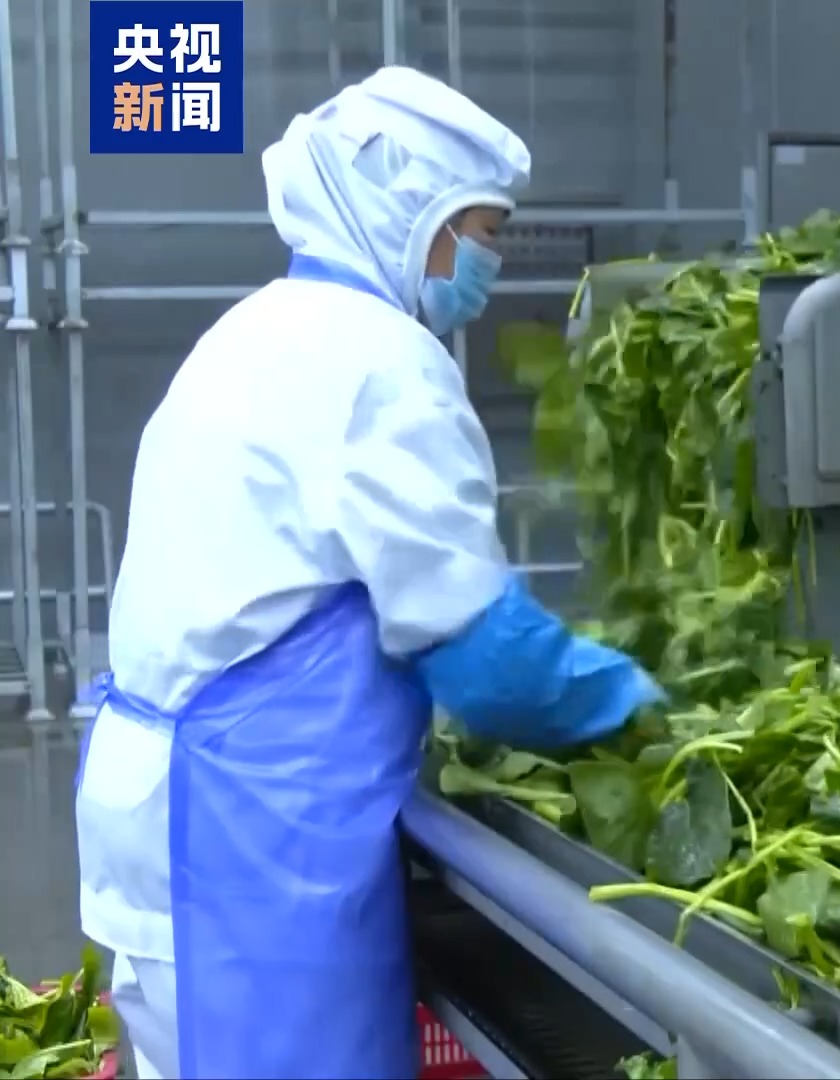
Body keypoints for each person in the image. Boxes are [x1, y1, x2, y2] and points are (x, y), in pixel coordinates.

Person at [71, 67, 663, 1079]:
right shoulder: (381, 366)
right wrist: (640, 708)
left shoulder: (253, 330)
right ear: (414, 213)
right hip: (253, 848)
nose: (487, 263)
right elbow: (486, 660)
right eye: (481, 231)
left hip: (159, 809)